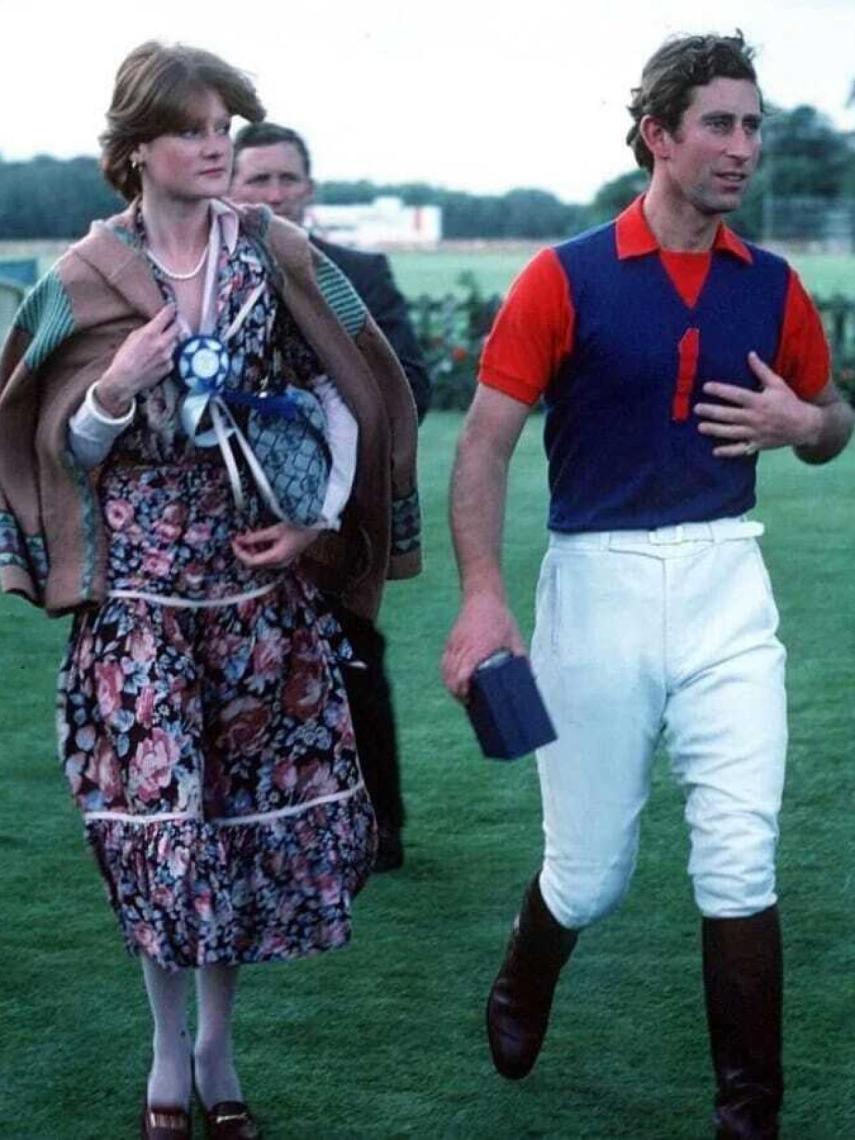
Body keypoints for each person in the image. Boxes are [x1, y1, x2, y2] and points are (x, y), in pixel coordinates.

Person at [0, 42, 419, 1140]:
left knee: (233, 831)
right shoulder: (81, 276)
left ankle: (219, 1051)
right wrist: (113, 389)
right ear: (136, 144)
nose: (216, 145)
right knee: (161, 834)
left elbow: (352, 380)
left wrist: (322, 515)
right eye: (194, 128)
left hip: (252, 604)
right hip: (135, 608)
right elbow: (47, 442)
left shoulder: (278, 251)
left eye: (226, 128)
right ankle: (163, 1050)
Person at [442, 31, 852, 1139]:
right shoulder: (563, 276)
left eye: (754, 125)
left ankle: (748, 1115)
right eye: (718, 123)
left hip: (730, 581)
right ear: (657, 134)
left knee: (739, 849)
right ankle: (530, 967)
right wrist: (485, 593)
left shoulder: (772, 286)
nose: (742, 147)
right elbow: (482, 446)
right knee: (591, 874)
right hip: (598, 587)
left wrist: (805, 422)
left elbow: (834, 422)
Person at [231, 121, 430, 871]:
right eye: (259, 180)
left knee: (351, 659)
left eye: (287, 179)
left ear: (309, 188)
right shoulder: (201, 277)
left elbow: (411, 381)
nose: (275, 194)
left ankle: (377, 827)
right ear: (228, 186)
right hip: (231, 519)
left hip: (338, 520)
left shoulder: (359, 272)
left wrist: (312, 425)